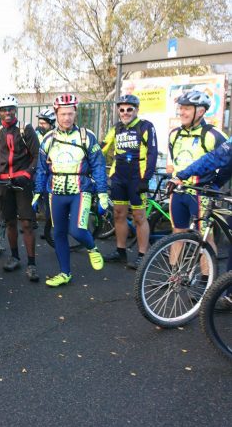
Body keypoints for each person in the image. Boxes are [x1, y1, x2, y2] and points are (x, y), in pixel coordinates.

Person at [34, 94, 108, 287]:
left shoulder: (86, 136)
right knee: (58, 233)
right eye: (63, 114)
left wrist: (102, 193)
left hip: (80, 191)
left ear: (75, 113)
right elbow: (41, 168)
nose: (66, 118)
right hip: (56, 192)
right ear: (56, 115)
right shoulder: (48, 139)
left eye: (70, 114)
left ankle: (92, 247)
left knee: (77, 230)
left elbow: (98, 165)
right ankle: (64, 273)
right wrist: (37, 192)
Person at [164, 91, 226, 256]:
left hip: (201, 193)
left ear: (200, 111)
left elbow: (227, 160)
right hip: (179, 191)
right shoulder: (174, 134)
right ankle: (173, 273)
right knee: (177, 234)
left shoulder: (213, 134)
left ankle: (209, 272)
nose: (181, 112)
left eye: (187, 108)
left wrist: (216, 183)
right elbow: (174, 160)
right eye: (181, 108)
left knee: (205, 238)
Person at [100, 95, 158, 269]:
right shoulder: (116, 128)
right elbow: (102, 147)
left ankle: (142, 255)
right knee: (118, 214)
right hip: (119, 177)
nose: (125, 112)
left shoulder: (146, 126)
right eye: (122, 109)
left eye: (129, 109)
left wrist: (146, 179)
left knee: (139, 217)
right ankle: (121, 251)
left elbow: (152, 154)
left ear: (136, 110)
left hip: (137, 178)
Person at [0, 95, 40, 278]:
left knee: (26, 223)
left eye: (10, 109)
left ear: (15, 110)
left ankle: (32, 264)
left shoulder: (26, 129)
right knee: (10, 222)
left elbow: (37, 155)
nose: (7, 112)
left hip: (22, 182)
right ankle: (15, 257)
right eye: (3, 110)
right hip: (4, 182)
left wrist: (28, 174)